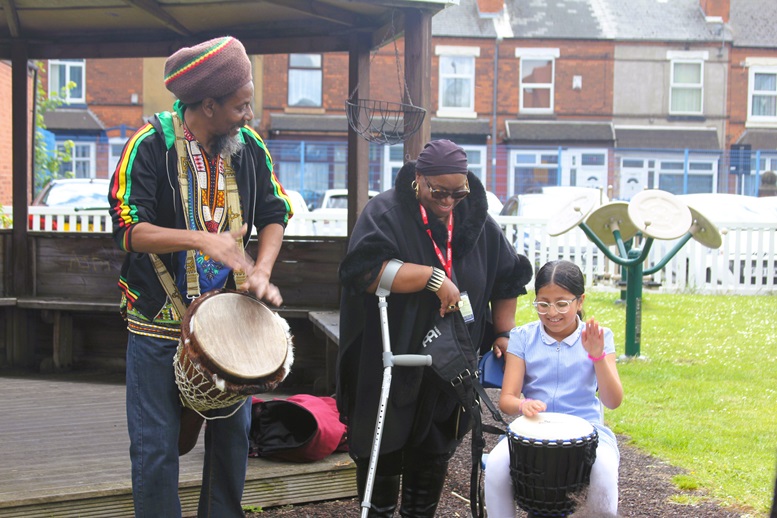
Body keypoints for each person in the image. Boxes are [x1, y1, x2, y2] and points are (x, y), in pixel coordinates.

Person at [107, 36, 293, 518]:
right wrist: (203, 240)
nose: (248, 116)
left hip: (230, 327)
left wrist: (262, 269)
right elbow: (129, 230)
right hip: (157, 324)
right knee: (155, 453)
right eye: (240, 106)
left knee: (232, 446)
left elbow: (276, 211)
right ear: (207, 105)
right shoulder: (148, 146)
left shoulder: (249, 148)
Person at [337, 139, 533, 517]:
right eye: (438, 192)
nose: (447, 201)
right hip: (390, 361)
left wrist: (503, 332)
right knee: (384, 451)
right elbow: (362, 270)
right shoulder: (386, 212)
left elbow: (509, 277)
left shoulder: (475, 220)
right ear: (418, 180)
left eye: (457, 193)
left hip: (448, 365)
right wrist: (432, 278)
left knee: (432, 454)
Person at [484, 260, 624, 518]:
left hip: (588, 431)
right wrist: (522, 405)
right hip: (533, 429)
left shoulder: (599, 336)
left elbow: (613, 400)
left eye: (562, 303)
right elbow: (507, 399)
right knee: (495, 466)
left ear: (580, 301)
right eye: (543, 303)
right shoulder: (523, 337)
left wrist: (598, 356)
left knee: (604, 470)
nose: (552, 312)